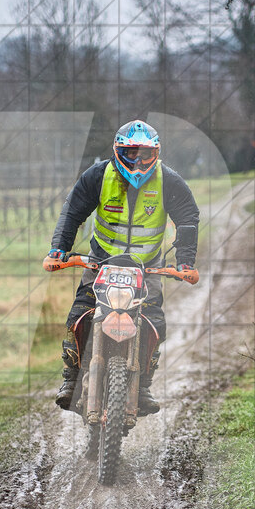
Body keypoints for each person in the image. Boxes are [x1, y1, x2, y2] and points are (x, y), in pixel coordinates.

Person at [47, 119, 200, 415]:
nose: (138, 160)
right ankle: (71, 378)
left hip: (148, 266)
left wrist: (185, 261)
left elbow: (187, 219)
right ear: (118, 151)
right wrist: (59, 249)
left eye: (145, 153)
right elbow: (72, 213)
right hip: (100, 260)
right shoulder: (97, 176)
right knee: (79, 313)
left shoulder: (168, 180)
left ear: (156, 153)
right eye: (131, 153)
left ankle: (143, 384)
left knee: (155, 320)